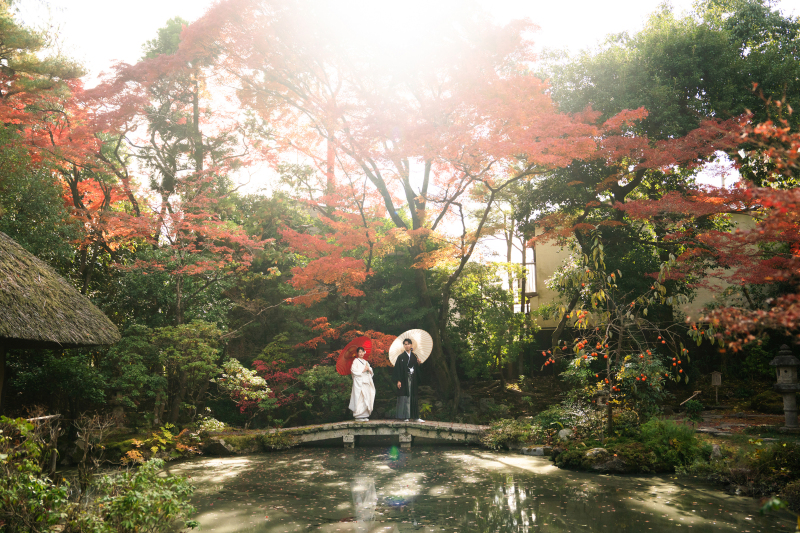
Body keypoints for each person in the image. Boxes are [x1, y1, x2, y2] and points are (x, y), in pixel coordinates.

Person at [392, 338, 422, 422]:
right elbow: (398, 369)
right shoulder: (401, 357)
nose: (407, 345)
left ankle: (416, 417)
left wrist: (419, 363)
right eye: (405, 344)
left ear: (411, 345)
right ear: (403, 346)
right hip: (404, 379)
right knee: (405, 396)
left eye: (408, 344)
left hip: (413, 379)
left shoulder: (414, 356)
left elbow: (417, 368)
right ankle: (406, 416)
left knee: (414, 396)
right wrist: (398, 380)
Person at [349, 347, 375, 421]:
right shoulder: (355, 361)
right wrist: (363, 370)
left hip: (366, 382)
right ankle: (358, 415)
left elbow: (371, 371)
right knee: (360, 398)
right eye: (359, 352)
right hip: (360, 383)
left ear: (364, 352)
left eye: (362, 352)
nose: (361, 353)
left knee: (366, 397)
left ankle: (364, 415)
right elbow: (353, 370)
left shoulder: (365, 362)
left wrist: (369, 369)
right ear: (357, 353)